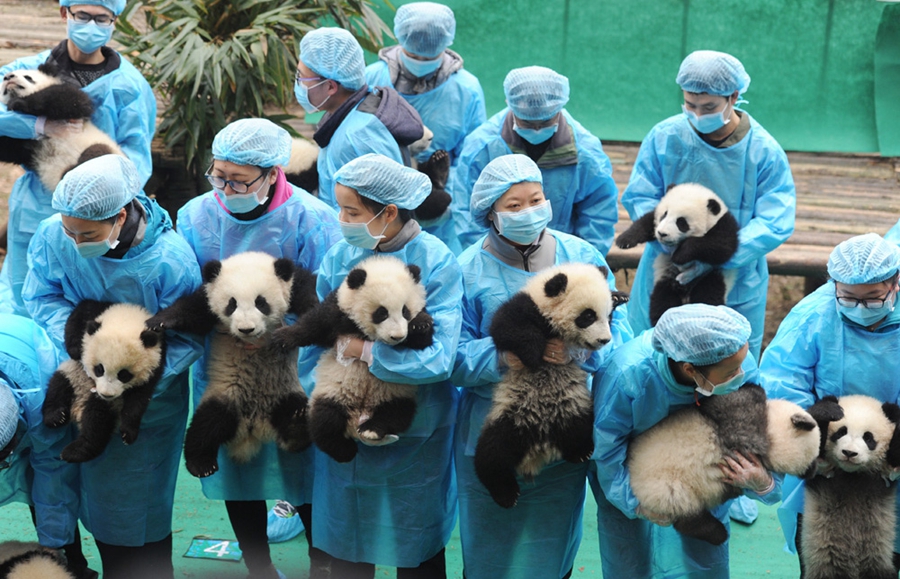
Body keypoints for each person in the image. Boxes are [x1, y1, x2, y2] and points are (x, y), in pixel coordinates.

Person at [21, 154, 203, 579]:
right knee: (58, 485)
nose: (73, 240)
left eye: (86, 233)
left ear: (120, 216)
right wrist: (83, 356)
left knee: (128, 512)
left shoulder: (168, 262)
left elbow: (187, 338)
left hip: (143, 403)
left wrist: (125, 379)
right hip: (74, 374)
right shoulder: (56, 234)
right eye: (68, 230)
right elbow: (42, 295)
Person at [450, 154, 632, 578]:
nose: (529, 212)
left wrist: (584, 351)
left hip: (565, 417)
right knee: (491, 538)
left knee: (552, 538)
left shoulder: (581, 254)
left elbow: (619, 327)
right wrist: (503, 357)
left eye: (536, 199)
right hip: (492, 418)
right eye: (513, 206)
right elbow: (451, 354)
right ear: (489, 214)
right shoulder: (467, 270)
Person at [175, 118, 341, 579]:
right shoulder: (195, 217)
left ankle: (322, 565)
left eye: (239, 179)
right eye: (219, 176)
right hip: (226, 363)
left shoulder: (313, 220)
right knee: (237, 469)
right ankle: (259, 567)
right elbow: (192, 295)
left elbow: (326, 300)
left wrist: (277, 332)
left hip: (295, 362)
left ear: (272, 172)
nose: (226, 188)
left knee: (303, 467)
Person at [299, 153, 462, 578]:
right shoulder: (341, 257)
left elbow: (440, 356)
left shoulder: (436, 260)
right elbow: (315, 338)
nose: (342, 218)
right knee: (350, 543)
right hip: (345, 410)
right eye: (340, 208)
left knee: (416, 542)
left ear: (388, 212)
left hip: (417, 426)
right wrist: (320, 403)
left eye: (351, 211)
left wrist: (367, 352)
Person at [620, 50, 795, 363]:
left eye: (710, 107)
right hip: (665, 265)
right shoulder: (665, 137)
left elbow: (775, 220)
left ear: (734, 96)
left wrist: (716, 254)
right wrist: (670, 242)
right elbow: (641, 196)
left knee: (727, 366)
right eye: (690, 104)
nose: (699, 114)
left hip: (734, 277)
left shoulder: (762, 152)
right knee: (650, 360)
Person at [592, 304, 778, 578]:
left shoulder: (734, 359)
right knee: (628, 557)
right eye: (730, 373)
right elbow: (607, 449)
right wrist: (634, 502)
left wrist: (764, 483)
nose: (741, 375)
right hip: (633, 470)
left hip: (702, 470)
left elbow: (754, 427)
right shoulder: (628, 375)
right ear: (690, 369)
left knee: (706, 558)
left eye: (742, 364)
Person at [0, 0, 156, 316]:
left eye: (102, 18)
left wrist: (112, 202)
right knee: (22, 295)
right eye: (82, 15)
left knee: (82, 298)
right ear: (64, 13)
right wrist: (39, 125)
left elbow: (136, 154)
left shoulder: (130, 86)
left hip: (99, 212)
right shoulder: (24, 68)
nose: (91, 25)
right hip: (35, 202)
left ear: (115, 20)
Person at [761, 233, 900, 573]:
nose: (860, 307)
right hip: (823, 464)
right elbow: (782, 380)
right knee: (821, 559)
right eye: (848, 297)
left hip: (891, 465)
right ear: (833, 285)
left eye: (873, 298)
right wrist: (813, 438)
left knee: (883, 560)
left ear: (896, 284)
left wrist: (895, 451)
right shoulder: (813, 316)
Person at [450, 66, 619, 256]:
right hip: (497, 255)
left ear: (560, 107)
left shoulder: (586, 153)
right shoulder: (481, 148)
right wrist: (490, 259)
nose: (537, 129)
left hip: (563, 256)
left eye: (546, 122)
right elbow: (467, 212)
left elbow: (598, 214)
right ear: (510, 104)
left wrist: (580, 262)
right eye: (528, 123)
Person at [365, 2, 487, 249]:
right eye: (413, 54)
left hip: (442, 209)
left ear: (444, 44)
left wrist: (445, 195)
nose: (420, 60)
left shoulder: (466, 89)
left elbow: (473, 157)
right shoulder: (372, 79)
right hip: (379, 200)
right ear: (402, 39)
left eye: (429, 55)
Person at [0, 313, 97, 579]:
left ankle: (73, 563)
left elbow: (53, 479)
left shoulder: (45, 407)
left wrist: (52, 544)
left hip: (32, 362)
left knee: (46, 485)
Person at [295, 27, 425, 208]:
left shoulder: (355, 138)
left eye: (301, 78)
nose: (298, 84)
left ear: (330, 87)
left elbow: (374, 217)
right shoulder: (354, 110)